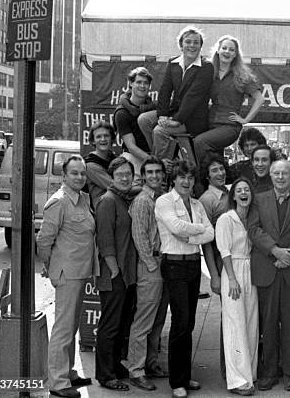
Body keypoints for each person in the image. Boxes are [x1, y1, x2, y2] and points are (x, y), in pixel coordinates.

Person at [248, 159, 290, 392]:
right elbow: (254, 229)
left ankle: (289, 372)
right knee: (267, 323)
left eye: (284, 173)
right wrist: (274, 251)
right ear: (270, 175)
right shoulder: (259, 199)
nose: (279, 177)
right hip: (267, 268)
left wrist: (289, 256)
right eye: (276, 173)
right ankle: (269, 372)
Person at [155, 159, 214, 398]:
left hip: (193, 264)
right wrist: (196, 230)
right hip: (174, 265)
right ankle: (176, 382)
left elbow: (210, 232)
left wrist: (191, 236)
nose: (186, 181)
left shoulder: (197, 204)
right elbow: (175, 227)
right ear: (174, 179)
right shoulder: (164, 201)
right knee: (180, 323)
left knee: (189, 324)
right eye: (182, 177)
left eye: (190, 177)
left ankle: (184, 375)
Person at [36, 156, 95, 398]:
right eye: (74, 173)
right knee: (63, 328)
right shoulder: (59, 202)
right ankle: (57, 383)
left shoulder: (82, 199)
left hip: (80, 272)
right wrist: (51, 268)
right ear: (64, 176)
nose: (79, 177)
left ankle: (67, 373)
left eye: (82, 173)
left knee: (71, 326)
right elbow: (44, 241)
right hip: (67, 274)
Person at [122, 156, 168, 391]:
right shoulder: (142, 201)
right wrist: (151, 265)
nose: (155, 176)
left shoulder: (159, 198)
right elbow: (139, 236)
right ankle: (136, 370)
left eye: (158, 172)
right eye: (150, 172)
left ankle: (151, 363)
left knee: (158, 320)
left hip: (162, 264)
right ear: (143, 176)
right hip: (150, 265)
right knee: (143, 322)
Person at [95, 157, 139, 391]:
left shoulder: (126, 198)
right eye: (119, 174)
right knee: (110, 325)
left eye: (128, 174)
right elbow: (104, 240)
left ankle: (114, 365)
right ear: (111, 177)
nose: (124, 178)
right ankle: (105, 374)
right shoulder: (108, 201)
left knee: (122, 323)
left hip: (128, 272)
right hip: (114, 274)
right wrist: (114, 270)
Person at [139, 26, 214, 164]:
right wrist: (162, 114)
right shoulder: (173, 63)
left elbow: (193, 97)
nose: (192, 45)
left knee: (159, 131)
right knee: (144, 120)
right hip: (175, 112)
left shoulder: (206, 67)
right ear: (181, 45)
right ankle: (160, 158)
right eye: (188, 42)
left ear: (200, 46)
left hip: (193, 119)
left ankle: (161, 167)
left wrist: (177, 120)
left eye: (196, 42)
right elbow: (165, 90)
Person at [215, 178, 259, 396]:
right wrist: (231, 278)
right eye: (239, 190)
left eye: (247, 190)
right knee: (235, 324)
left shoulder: (252, 218)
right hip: (233, 271)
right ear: (233, 196)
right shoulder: (226, 219)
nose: (243, 193)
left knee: (251, 322)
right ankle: (238, 380)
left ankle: (250, 373)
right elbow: (224, 250)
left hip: (251, 271)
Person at [196, 35, 264, 160]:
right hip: (210, 122)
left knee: (199, 143)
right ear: (218, 50)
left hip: (229, 126)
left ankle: (199, 178)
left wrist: (245, 119)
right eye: (224, 48)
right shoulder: (209, 71)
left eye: (231, 50)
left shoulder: (241, 75)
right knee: (215, 159)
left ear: (235, 55)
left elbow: (260, 99)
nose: (227, 52)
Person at [198, 153, 230, 377]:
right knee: (228, 316)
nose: (220, 173)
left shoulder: (229, 193)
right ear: (207, 176)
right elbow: (207, 243)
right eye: (214, 170)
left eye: (221, 168)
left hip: (237, 260)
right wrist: (214, 276)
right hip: (220, 260)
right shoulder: (207, 200)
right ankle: (227, 366)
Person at [114, 67, 156, 183]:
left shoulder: (154, 109)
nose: (142, 86)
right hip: (134, 159)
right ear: (131, 83)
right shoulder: (122, 113)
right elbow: (131, 146)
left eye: (146, 83)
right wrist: (154, 161)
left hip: (153, 157)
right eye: (138, 82)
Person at [84, 121, 116, 208]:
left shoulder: (114, 159)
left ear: (112, 138)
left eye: (106, 136)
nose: (103, 139)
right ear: (93, 141)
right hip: (101, 211)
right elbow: (114, 186)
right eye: (98, 136)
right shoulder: (89, 165)